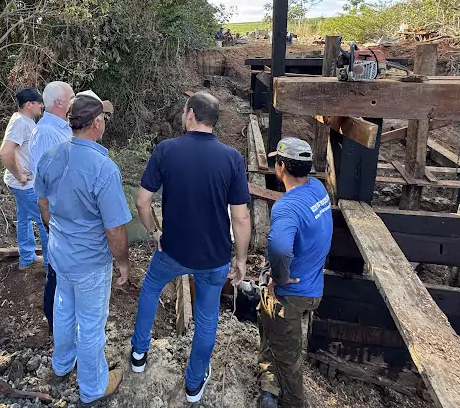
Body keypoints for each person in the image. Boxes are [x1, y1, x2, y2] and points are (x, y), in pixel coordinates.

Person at [130, 91, 251, 403]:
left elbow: (143, 201)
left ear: (191, 115)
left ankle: (140, 354)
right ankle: (194, 384)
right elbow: (240, 217)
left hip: (172, 251)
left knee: (151, 288)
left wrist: (154, 231)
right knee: (207, 317)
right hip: (214, 257)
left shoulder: (167, 150)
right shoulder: (232, 158)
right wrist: (240, 260)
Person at [35, 92, 131, 406]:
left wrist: (56, 232)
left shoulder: (50, 155)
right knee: (90, 323)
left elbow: (43, 204)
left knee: (63, 308)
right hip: (90, 261)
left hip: (60, 252)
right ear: (97, 123)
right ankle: (93, 387)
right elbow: (114, 229)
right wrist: (123, 263)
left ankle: (62, 364)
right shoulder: (103, 169)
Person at [257, 137, 333, 408]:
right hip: (313, 285)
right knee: (268, 321)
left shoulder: (286, 208)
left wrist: (279, 278)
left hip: (290, 294)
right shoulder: (318, 189)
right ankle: (269, 385)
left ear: (281, 167)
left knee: (289, 360)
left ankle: (292, 402)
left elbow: (278, 248)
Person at [29, 81, 75, 334]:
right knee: (57, 271)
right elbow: (46, 180)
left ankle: (64, 320)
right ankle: (55, 323)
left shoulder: (61, 128)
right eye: (72, 97)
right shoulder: (47, 133)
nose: (74, 101)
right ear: (59, 102)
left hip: (66, 212)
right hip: (59, 214)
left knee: (64, 268)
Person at [0, 88, 46, 270]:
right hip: (25, 185)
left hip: (22, 183)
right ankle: (50, 265)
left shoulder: (24, 121)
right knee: (44, 222)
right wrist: (19, 175)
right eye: (39, 102)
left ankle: (27, 258)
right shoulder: (21, 123)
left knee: (24, 218)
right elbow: (6, 151)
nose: (42, 106)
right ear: (29, 104)